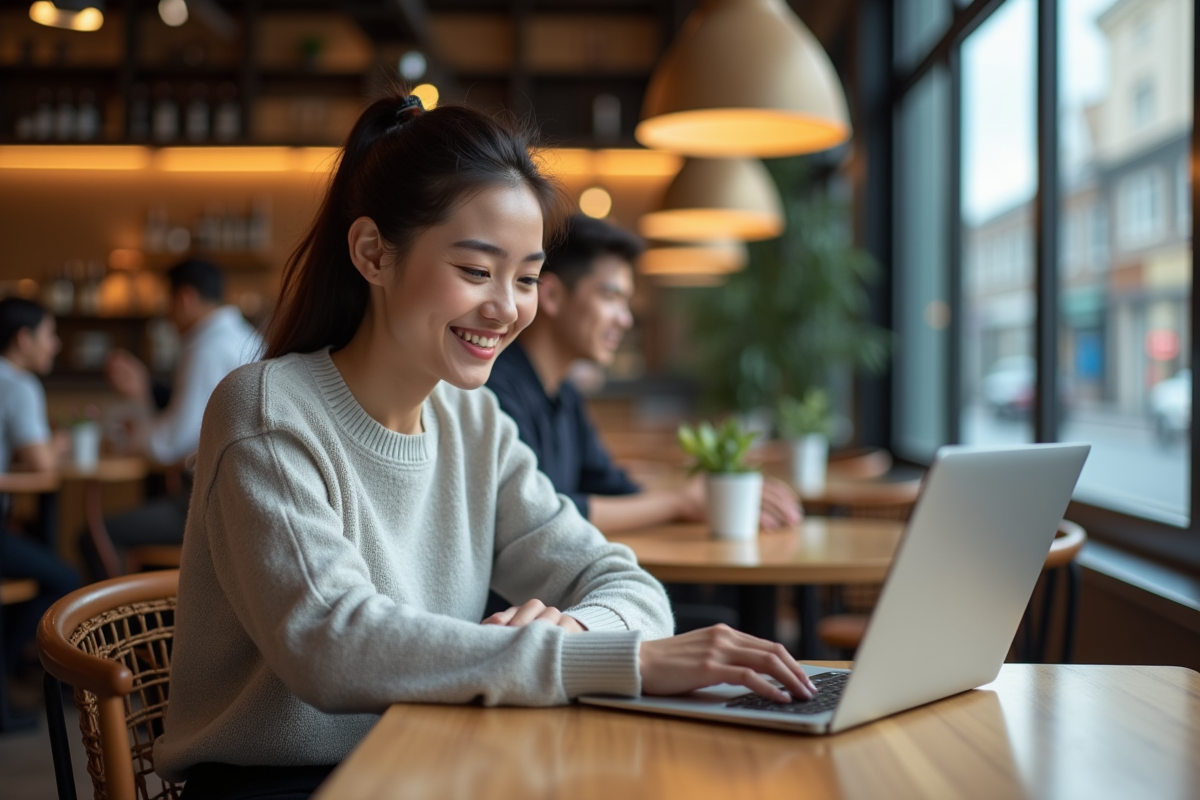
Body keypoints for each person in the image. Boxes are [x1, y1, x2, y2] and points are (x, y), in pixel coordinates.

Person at [155, 93, 817, 799]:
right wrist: (605, 661)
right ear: (373, 253)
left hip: (433, 757)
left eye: (527, 277)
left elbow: (626, 584)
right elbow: (330, 646)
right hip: (286, 784)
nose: (507, 307)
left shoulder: (476, 422)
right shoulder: (265, 408)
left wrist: (579, 628)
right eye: (476, 271)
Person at [486, 214, 802, 533]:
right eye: (611, 297)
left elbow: (610, 486)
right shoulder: (495, 389)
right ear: (551, 295)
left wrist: (716, 492)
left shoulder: (563, 393)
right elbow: (536, 514)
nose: (625, 320)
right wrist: (680, 501)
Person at [80, 259, 262, 578]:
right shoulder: (244, 336)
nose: (167, 314)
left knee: (93, 536)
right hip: (244, 497)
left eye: (168, 302)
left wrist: (137, 426)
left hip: (210, 503)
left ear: (185, 298)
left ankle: (118, 623)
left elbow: (171, 443)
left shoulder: (207, 347)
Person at [0, 297, 79, 677]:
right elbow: (43, 466)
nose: (56, 344)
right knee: (67, 582)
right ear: (22, 339)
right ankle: (12, 663)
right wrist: (59, 444)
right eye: (49, 334)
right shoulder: (18, 384)